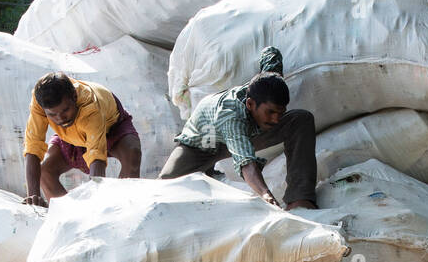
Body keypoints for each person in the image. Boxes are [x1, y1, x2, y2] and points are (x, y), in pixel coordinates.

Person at [159, 47, 317, 210]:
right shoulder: (231, 115)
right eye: (270, 112)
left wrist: (270, 63)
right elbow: (246, 163)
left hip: (248, 133)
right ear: (250, 104)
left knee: (301, 119)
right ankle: (207, 174)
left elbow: (271, 53)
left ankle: (300, 198)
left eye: (280, 112)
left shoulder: (270, 83)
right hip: (203, 143)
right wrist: (265, 195)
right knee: (164, 188)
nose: (276, 119)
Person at [23, 71, 141, 205]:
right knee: (45, 171)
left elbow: (96, 157)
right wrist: (33, 197)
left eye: (65, 110)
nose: (60, 118)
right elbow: (33, 147)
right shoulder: (39, 103)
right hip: (71, 136)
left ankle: (123, 208)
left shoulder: (90, 106)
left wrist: (95, 204)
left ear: (74, 97)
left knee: (133, 153)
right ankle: (66, 216)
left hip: (112, 128)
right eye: (52, 115)